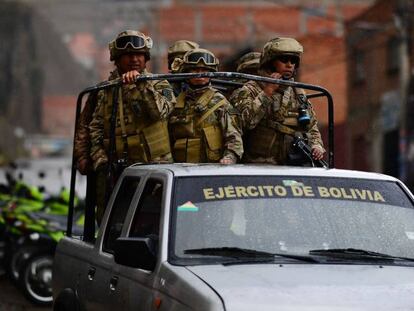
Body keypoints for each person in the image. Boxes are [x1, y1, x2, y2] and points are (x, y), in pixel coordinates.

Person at [89, 30, 176, 223]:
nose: (134, 59)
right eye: (128, 56)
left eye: (139, 55)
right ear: (117, 60)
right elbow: (95, 128)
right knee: (113, 223)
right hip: (118, 173)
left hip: (154, 171)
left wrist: (140, 86)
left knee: (154, 222)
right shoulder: (107, 90)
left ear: (146, 59)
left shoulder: (159, 84)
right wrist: (101, 160)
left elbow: (159, 112)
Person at [231, 37, 325, 165]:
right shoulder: (251, 89)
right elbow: (242, 124)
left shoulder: (298, 93)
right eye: (284, 60)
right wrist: (267, 92)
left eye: (293, 61)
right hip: (256, 166)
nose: (289, 65)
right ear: (270, 62)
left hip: (291, 166)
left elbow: (312, 127)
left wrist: (317, 145)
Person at [169, 48, 243, 164]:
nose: (200, 73)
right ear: (187, 72)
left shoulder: (220, 102)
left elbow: (234, 137)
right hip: (181, 169)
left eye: (204, 70)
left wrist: (229, 158)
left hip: (210, 169)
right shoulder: (177, 103)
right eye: (195, 69)